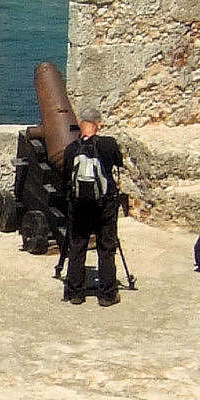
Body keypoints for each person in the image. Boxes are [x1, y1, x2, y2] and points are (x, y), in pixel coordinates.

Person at [59, 114, 126, 305]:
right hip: (105, 205)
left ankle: (75, 293)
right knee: (106, 247)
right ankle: (107, 295)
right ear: (98, 125)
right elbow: (118, 163)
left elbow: (65, 178)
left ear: (81, 126)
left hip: (79, 206)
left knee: (78, 246)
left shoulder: (71, 149)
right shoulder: (108, 144)